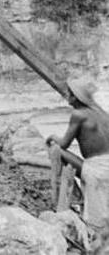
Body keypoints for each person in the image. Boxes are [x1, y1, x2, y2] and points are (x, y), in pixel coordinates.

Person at [46, 78, 109, 232]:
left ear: (77, 96)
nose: (67, 97)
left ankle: (71, 196)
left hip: (97, 170)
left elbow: (64, 144)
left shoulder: (78, 114)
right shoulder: (100, 112)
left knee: (55, 150)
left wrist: (53, 137)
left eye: (70, 94)